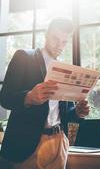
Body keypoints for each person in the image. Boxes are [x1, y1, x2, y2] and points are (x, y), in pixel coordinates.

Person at [0, 18, 89, 169]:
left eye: (64, 42)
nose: (59, 45)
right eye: (55, 38)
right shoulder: (24, 57)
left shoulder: (65, 69)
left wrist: (79, 112)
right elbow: (5, 98)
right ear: (46, 34)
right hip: (29, 145)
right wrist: (28, 97)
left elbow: (64, 113)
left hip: (59, 141)